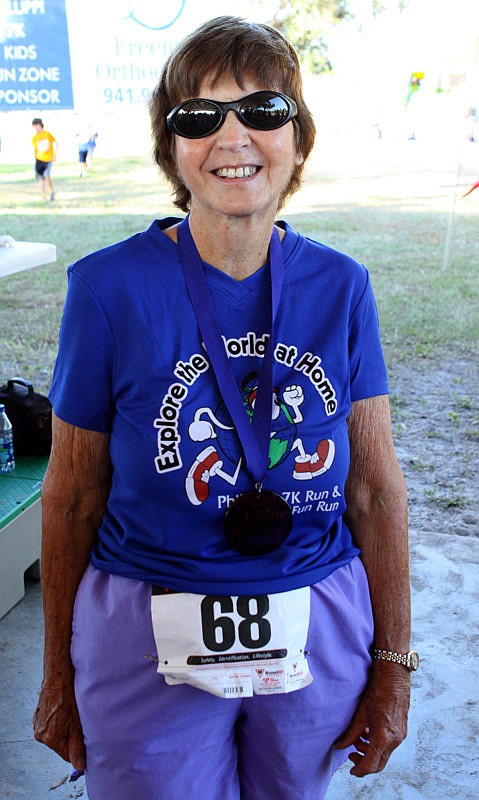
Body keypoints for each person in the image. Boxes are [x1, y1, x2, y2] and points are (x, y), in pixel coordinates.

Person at [33, 16, 416, 800]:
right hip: (144, 625)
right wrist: (56, 675)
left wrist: (393, 666)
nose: (231, 135)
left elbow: (373, 489)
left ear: (298, 139)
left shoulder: (341, 286)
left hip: (316, 617)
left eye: (262, 111)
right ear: (172, 149)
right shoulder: (106, 289)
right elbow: (72, 494)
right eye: (198, 117)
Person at [31, 118, 57, 200]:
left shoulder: (47, 134)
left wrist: (54, 155)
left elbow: (55, 143)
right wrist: (34, 159)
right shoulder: (35, 137)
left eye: (36, 126)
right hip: (39, 159)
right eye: (34, 127)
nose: (36, 128)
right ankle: (43, 195)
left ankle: (51, 192)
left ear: (40, 125)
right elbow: (35, 149)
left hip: (48, 159)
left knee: (47, 175)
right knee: (41, 178)